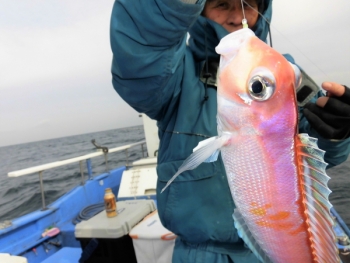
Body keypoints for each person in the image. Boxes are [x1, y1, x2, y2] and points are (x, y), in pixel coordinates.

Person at [110, 0, 350, 262]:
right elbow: (143, 50)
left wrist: (336, 131)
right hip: (199, 253)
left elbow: (319, 155)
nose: (238, 17)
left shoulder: (283, 74)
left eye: (248, 5)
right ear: (199, 10)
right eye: (223, 4)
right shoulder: (174, 74)